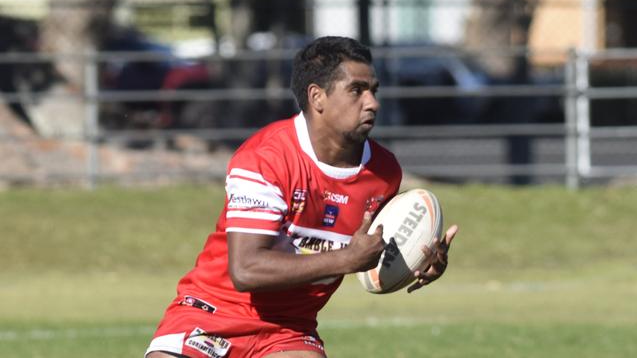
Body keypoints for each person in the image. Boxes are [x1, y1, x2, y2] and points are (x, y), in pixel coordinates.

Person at [145, 36, 458, 358]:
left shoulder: (384, 172)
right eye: (357, 90)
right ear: (317, 97)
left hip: (290, 330)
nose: (372, 103)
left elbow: (370, 251)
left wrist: (415, 259)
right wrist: (345, 259)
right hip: (210, 312)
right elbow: (246, 270)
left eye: (373, 90)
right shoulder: (266, 157)